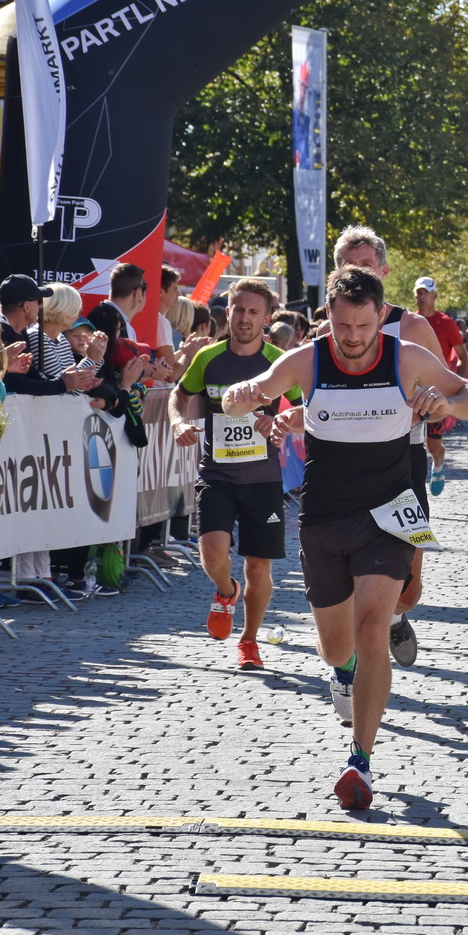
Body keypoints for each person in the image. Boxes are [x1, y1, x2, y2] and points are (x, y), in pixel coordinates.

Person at [222, 265, 468, 809]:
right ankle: (343, 672)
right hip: (324, 517)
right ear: (330, 318)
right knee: (337, 648)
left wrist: (447, 405)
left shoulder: (405, 357)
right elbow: (242, 397)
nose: (354, 337)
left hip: (390, 515)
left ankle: (360, 761)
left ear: (380, 316)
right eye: (343, 325)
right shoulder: (308, 359)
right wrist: (241, 397)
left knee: (372, 633)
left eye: (364, 326)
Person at [333, 227, 450, 666]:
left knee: (408, 589)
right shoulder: (325, 330)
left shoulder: (412, 327)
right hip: (342, 466)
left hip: (402, 463)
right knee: (345, 573)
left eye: (365, 265)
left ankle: (395, 618)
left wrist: (432, 406)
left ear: (383, 271)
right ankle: (351, 665)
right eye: (348, 265)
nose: (357, 272)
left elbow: (450, 392)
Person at [170, 278, 294, 669]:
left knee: (258, 567)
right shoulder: (209, 358)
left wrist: (280, 420)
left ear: (267, 318)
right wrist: (177, 422)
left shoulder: (279, 360)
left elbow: (308, 405)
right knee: (212, 552)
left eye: (254, 312)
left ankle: (249, 641)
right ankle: (226, 591)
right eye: (238, 309)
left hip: (263, 479)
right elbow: (179, 395)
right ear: (228, 312)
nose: (244, 318)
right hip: (218, 475)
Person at [413, 277, 465, 497]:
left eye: (426, 292)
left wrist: (458, 386)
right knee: (406, 444)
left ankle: (438, 465)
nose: (421, 296)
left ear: (434, 295)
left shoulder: (446, 322)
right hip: (410, 392)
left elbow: (462, 356)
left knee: (433, 446)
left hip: (436, 393)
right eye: (418, 292)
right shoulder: (409, 321)